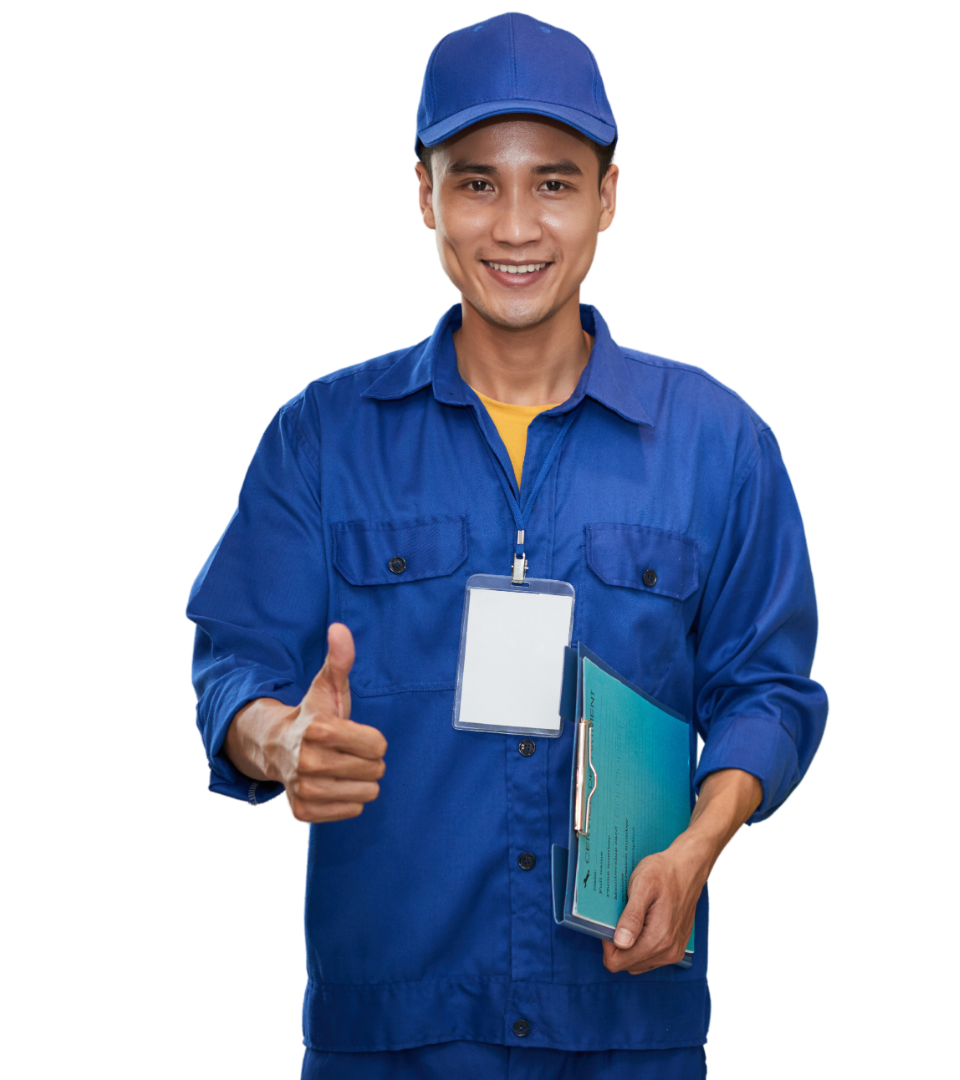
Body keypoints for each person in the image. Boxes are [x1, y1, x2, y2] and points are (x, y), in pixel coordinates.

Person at [186, 11, 829, 1079]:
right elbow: (230, 668)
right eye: (478, 182)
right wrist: (276, 741)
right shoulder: (319, 436)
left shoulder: (723, 442)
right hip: (387, 1035)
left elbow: (770, 688)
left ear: (610, 196)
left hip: (629, 1025)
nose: (516, 226)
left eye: (556, 182)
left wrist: (700, 844)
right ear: (424, 198)